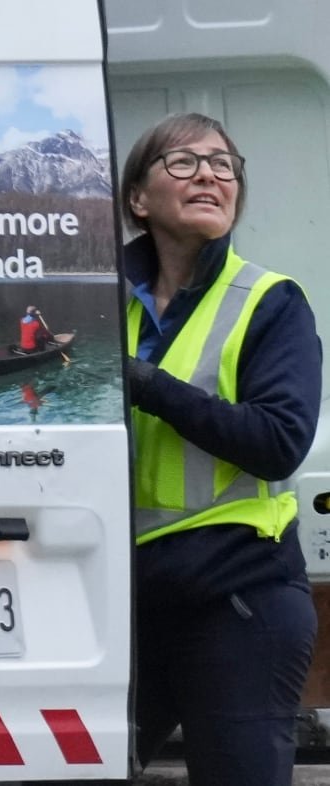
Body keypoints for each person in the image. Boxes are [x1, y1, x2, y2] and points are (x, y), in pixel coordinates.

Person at [121, 112, 321, 785]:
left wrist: (149, 385)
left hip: (239, 599)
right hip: (124, 601)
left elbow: (278, 442)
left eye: (224, 164)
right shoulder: (93, 308)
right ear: (138, 200)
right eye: (183, 162)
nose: (209, 172)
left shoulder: (271, 302)